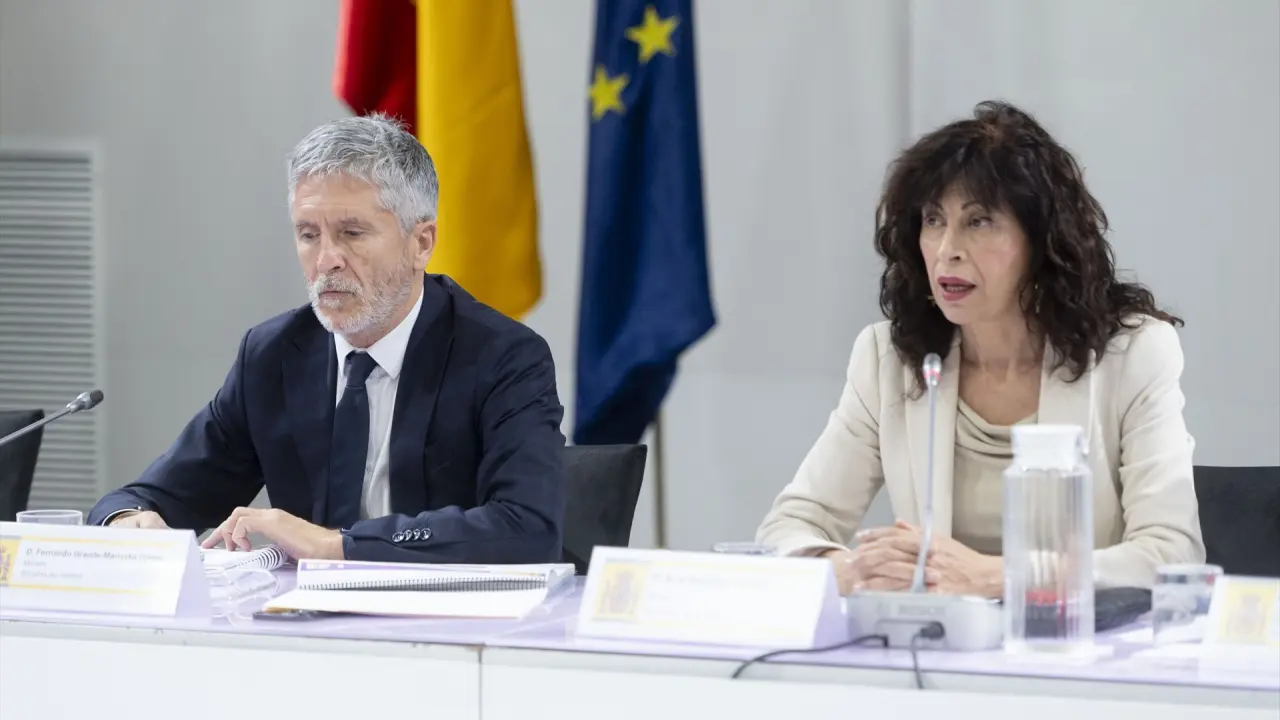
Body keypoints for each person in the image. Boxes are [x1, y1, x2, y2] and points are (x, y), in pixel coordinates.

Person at [756, 101, 1205, 595]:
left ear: (1041, 243)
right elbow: (790, 526)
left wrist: (993, 577)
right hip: (940, 638)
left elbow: (1171, 552)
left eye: (979, 221)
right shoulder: (889, 360)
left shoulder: (1132, 354)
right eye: (933, 220)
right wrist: (853, 569)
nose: (947, 249)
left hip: (1080, 637)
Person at [87, 114, 567, 564]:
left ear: (421, 243)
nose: (326, 260)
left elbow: (528, 526)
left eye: (352, 233)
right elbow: (157, 495)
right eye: (308, 235)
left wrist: (338, 545)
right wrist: (128, 519)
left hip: (448, 618)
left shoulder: (502, 357)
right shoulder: (274, 355)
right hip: (304, 619)